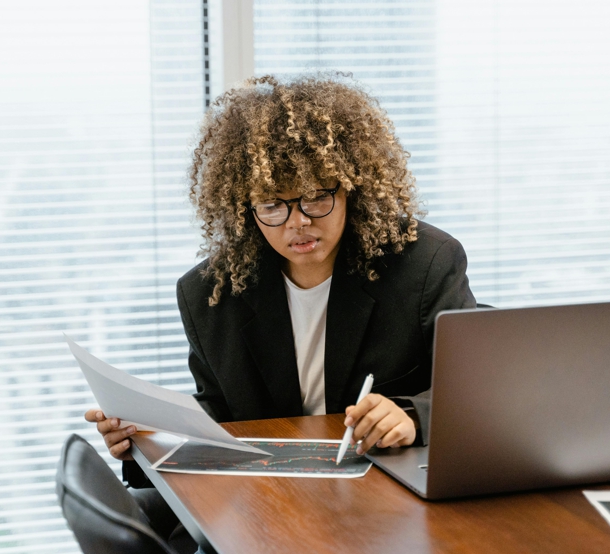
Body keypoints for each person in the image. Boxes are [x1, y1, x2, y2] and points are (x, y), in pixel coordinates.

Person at [84, 73, 476, 549]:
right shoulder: (212, 294)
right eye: (273, 204)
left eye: (316, 196)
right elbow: (221, 418)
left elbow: (477, 394)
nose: (298, 222)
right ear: (245, 206)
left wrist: (413, 416)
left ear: (353, 187)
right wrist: (145, 438)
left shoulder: (424, 264)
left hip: (389, 514)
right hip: (270, 512)